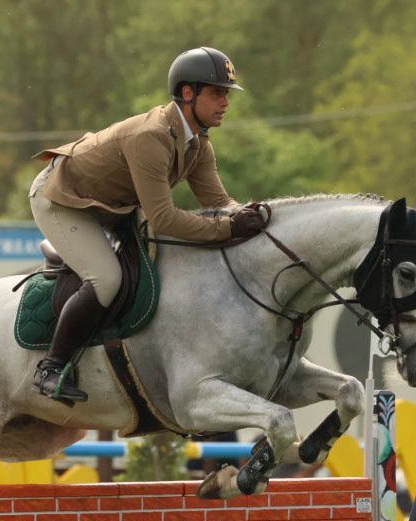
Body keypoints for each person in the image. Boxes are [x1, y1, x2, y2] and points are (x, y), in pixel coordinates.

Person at [28, 46, 268, 404]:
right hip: (62, 198)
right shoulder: (151, 137)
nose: (225, 102)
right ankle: (51, 367)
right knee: (107, 279)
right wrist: (230, 229)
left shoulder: (199, 144)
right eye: (217, 93)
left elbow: (218, 204)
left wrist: (249, 215)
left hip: (115, 205)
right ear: (188, 93)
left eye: (226, 94)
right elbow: (166, 219)